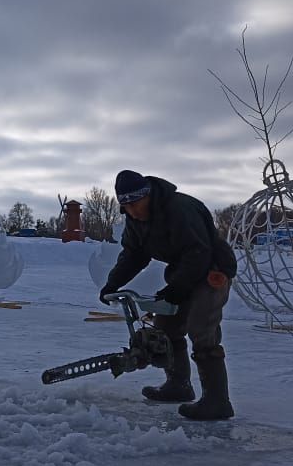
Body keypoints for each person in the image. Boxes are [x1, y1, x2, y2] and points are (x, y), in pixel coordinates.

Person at [98, 170, 238, 421]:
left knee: (201, 328)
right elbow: (133, 255)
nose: (132, 211)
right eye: (126, 206)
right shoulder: (135, 219)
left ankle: (217, 402)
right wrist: (112, 284)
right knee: (166, 325)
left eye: (135, 204)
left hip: (211, 270)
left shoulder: (179, 209)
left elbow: (198, 252)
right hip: (182, 271)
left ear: (147, 195)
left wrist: (176, 290)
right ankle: (178, 386)